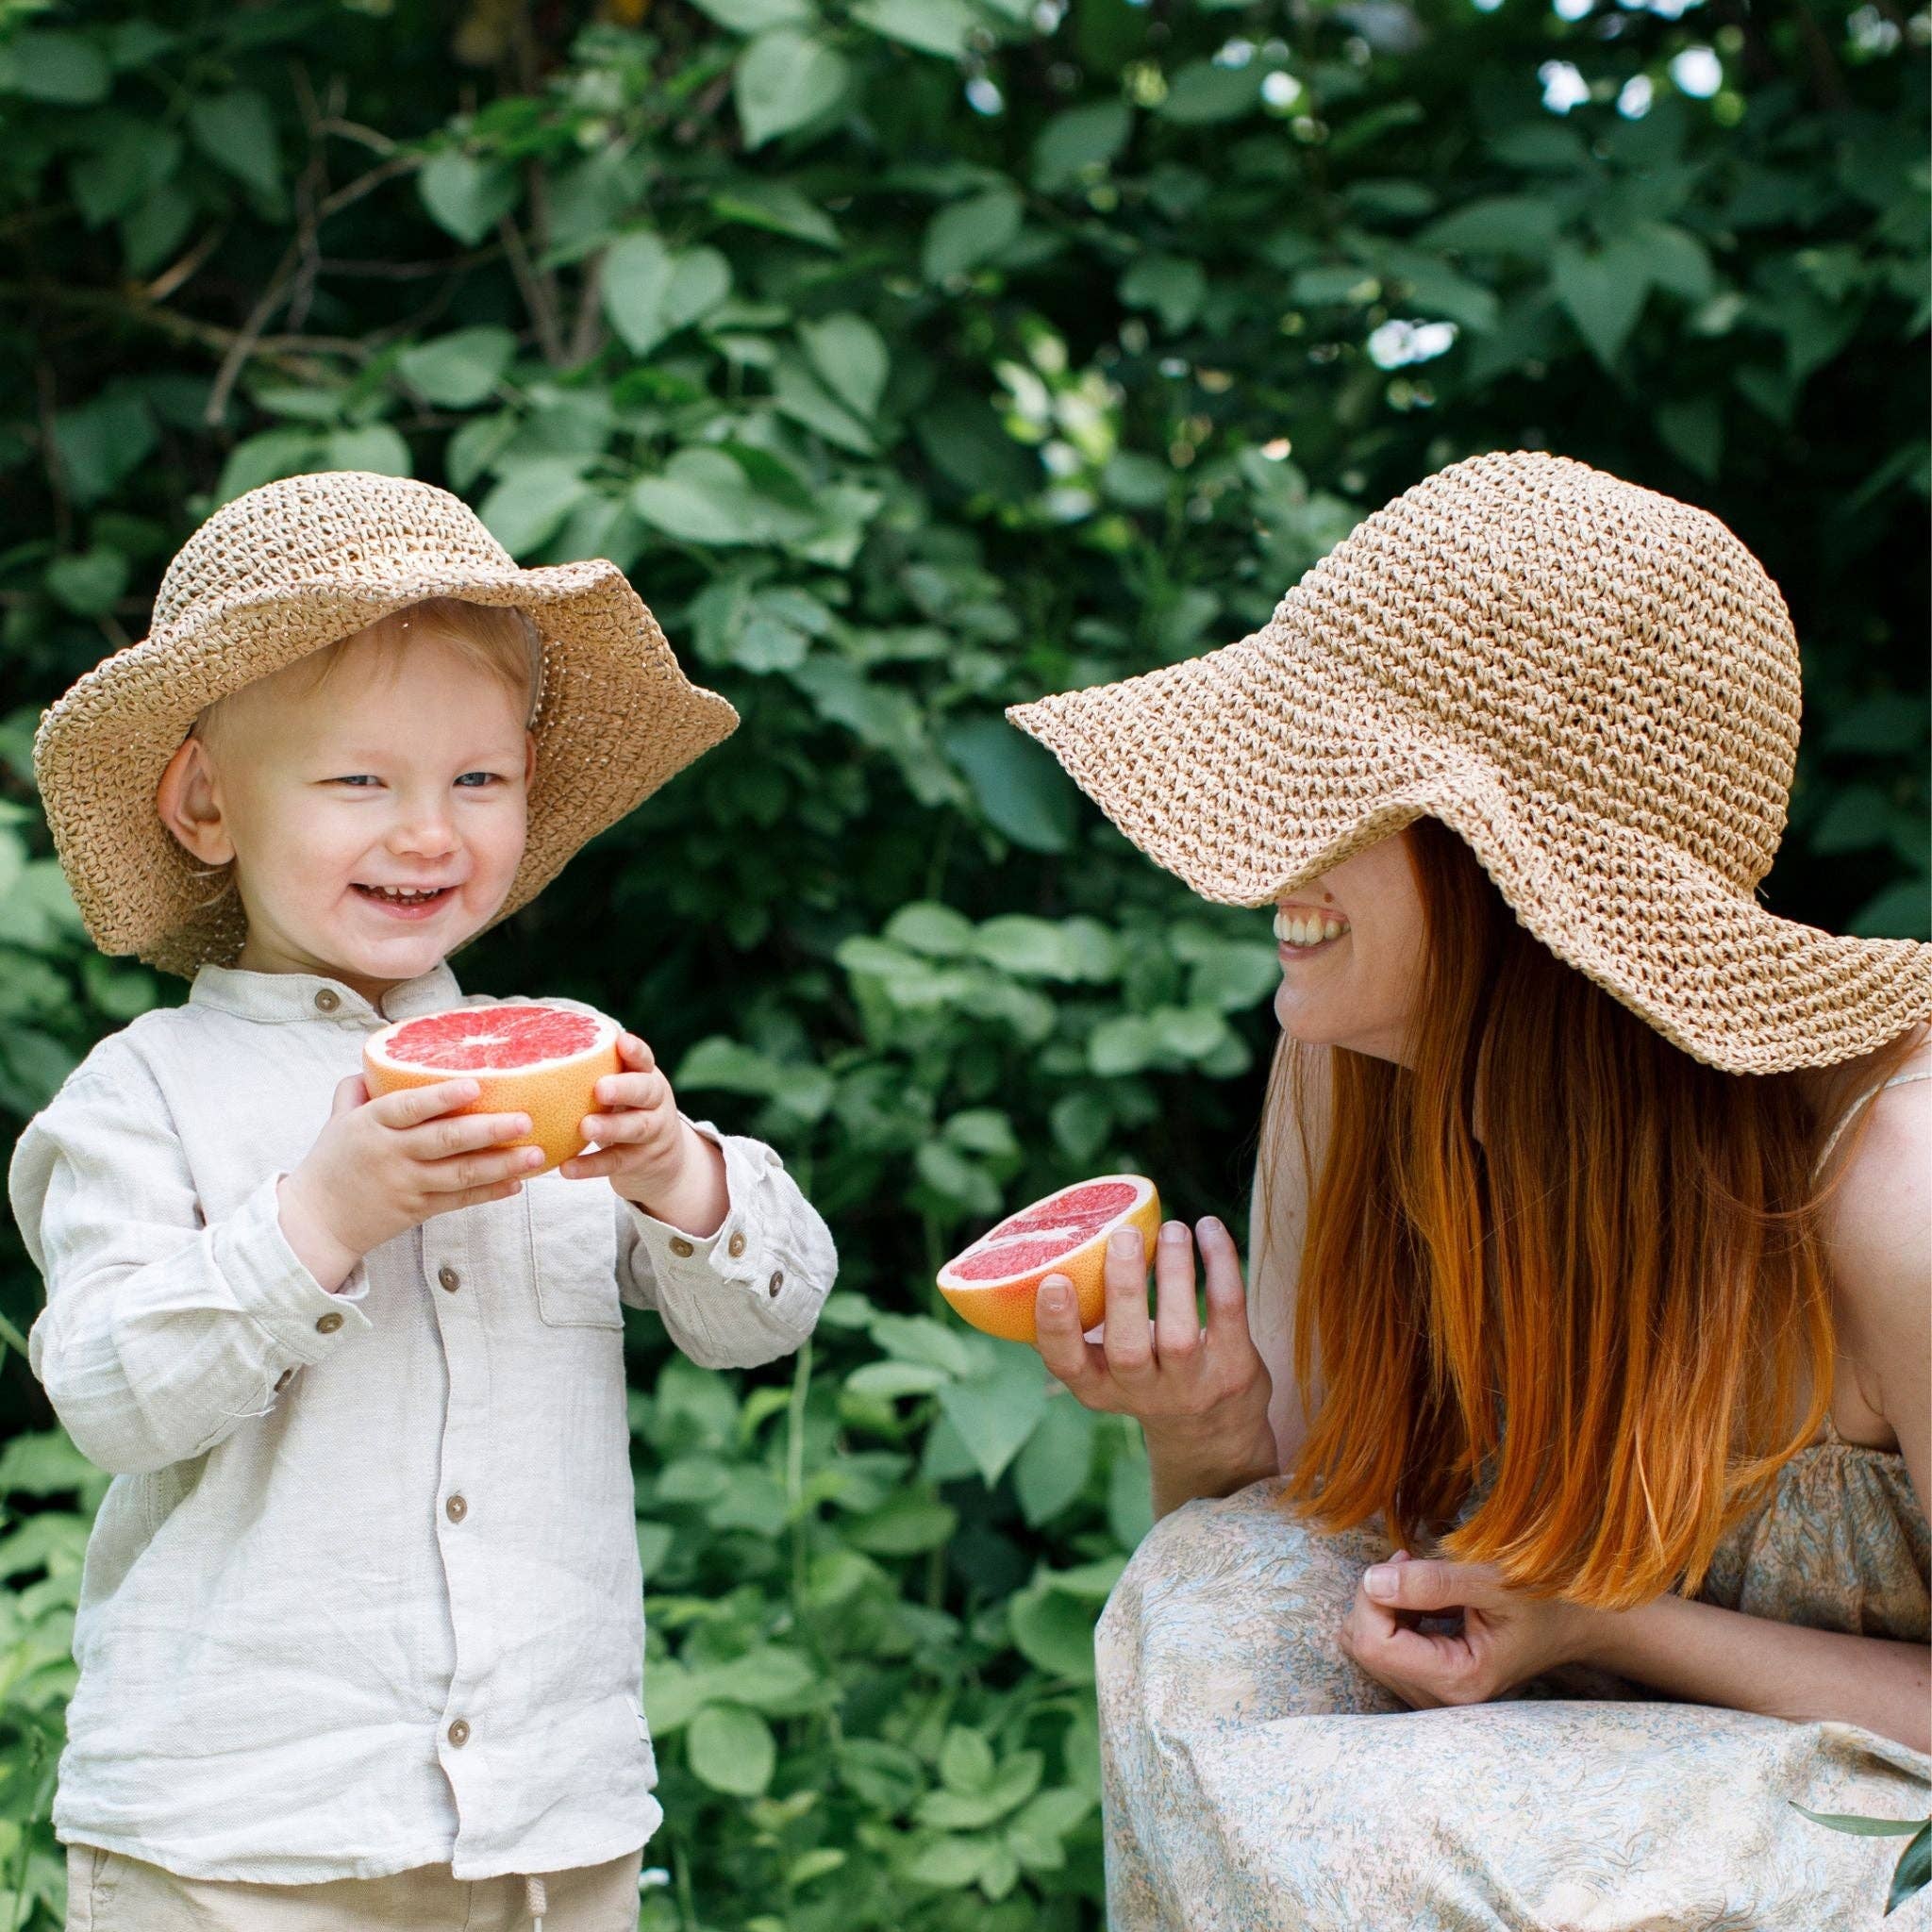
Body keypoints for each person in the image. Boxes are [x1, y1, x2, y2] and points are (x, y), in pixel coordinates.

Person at [1007, 449, 1931, 1929]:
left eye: (1340, 794)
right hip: (1567, 1766)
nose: (1272, 861)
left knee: (1362, 1816)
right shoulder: (1352, 1066)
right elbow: (1310, 1533)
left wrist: (1613, 1619)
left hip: (1877, 1829)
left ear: (1517, 879)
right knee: (1204, 1591)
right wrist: (1207, 1434)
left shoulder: (1894, 1194)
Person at [7, 472, 838, 1932]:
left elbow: (765, 1317)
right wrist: (315, 1216)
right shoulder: (144, 1094)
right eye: (357, 783)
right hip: (235, 1838)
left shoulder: (573, 1060)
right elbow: (107, 1397)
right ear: (208, 803)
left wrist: (676, 1173)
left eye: (477, 781)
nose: (428, 833)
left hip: (544, 1826)